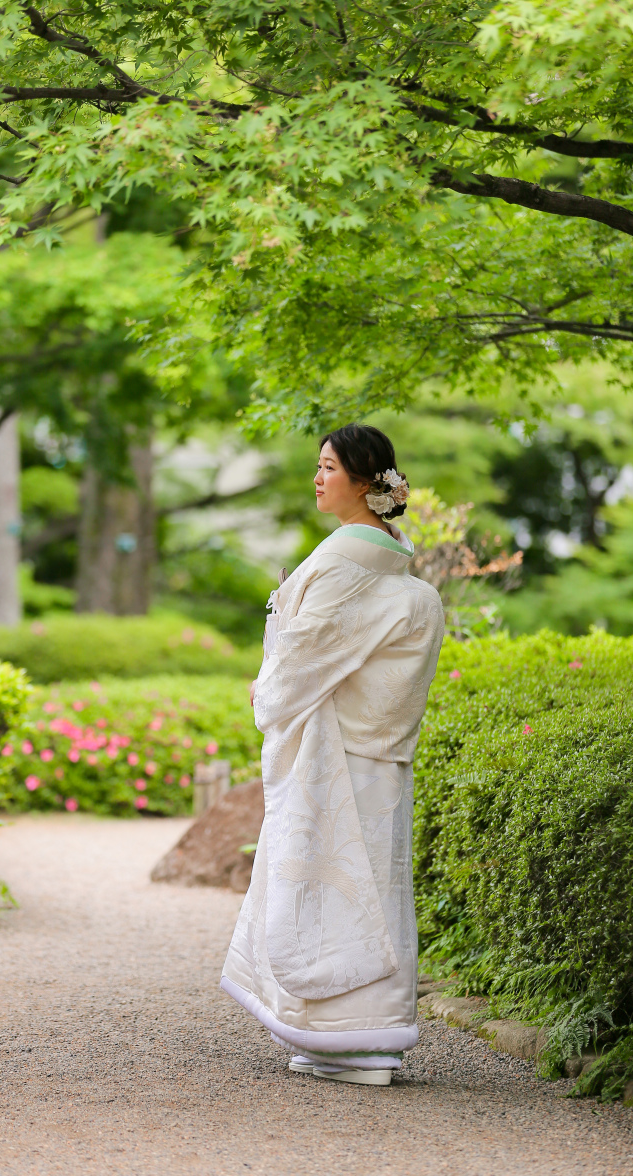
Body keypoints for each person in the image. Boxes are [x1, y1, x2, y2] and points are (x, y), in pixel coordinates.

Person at [221, 423, 445, 1086]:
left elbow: (302, 655)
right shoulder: (384, 563)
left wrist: (270, 679)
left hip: (339, 754)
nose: (318, 478)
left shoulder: (347, 563)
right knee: (364, 887)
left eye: (328, 467)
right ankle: (345, 1041)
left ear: (365, 480)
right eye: (317, 466)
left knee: (331, 886)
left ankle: (343, 1038)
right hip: (370, 756)